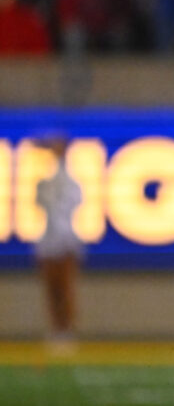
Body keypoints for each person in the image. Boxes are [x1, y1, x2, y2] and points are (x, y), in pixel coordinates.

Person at [33, 137, 84, 353]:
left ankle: (66, 329)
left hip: (65, 240)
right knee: (52, 289)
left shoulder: (71, 182)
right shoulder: (45, 183)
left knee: (65, 288)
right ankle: (56, 329)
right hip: (49, 241)